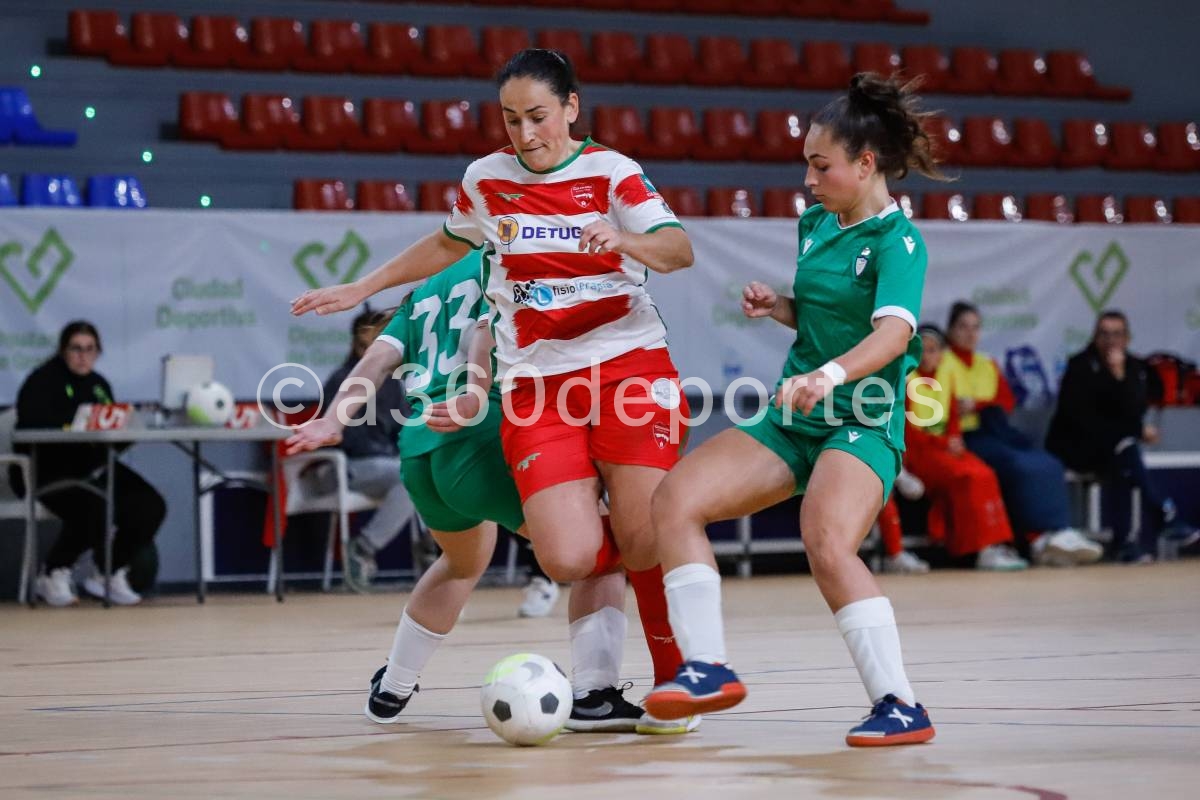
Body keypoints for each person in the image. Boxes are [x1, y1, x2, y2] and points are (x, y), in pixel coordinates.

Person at [291, 49, 691, 723]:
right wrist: (370, 291)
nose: (525, 134)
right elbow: (456, 262)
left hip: (575, 387)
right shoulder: (486, 189)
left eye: (538, 116)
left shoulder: (612, 173)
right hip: (512, 404)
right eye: (510, 120)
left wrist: (625, 243)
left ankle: (675, 677)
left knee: (606, 538)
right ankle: (621, 650)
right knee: (586, 555)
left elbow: (677, 249)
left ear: (571, 107)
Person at [645, 73, 941, 746]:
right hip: (795, 417)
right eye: (806, 163)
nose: (808, 179)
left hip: (862, 416)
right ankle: (705, 668)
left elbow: (892, 334)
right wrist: (777, 307)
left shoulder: (899, 243)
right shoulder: (816, 223)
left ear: (866, 164)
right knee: (675, 499)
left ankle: (900, 704)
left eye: (820, 165)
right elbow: (825, 316)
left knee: (827, 540)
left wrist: (828, 376)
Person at [288, 253, 691, 735]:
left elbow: (374, 361)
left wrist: (334, 417)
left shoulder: (423, 290)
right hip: (480, 436)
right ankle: (594, 695)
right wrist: (478, 392)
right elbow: (481, 333)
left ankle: (392, 684)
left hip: (421, 456)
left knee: (460, 564)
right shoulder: (507, 258)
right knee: (604, 552)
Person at [12, 321, 166, 606]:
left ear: (97, 352)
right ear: (63, 351)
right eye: (76, 349)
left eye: (90, 349)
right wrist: (72, 428)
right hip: (46, 470)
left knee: (149, 504)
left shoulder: (98, 385)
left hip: (93, 465)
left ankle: (107, 570)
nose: (83, 356)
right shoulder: (41, 382)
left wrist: (127, 432)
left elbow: (110, 430)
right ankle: (52, 572)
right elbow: (31, 428)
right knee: (95, 506)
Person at [941, 302, 1103, 567]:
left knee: (1048, 462)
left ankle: (1059, 531)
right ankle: (1039, 537)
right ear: (950, 330)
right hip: (965, 435)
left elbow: (1006, 400)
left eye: (975, 327)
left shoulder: (986, 363)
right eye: (962, 327)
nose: (970, 334)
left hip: (995, 429)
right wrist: (960, 406)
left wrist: (978, 404)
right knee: (1018, 466)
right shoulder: (941, 361)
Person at [1045, 310, 1198, 559]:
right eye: (1104, 334)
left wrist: (1120, 376)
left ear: (1127, 338)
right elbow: (1085, 419)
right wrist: (1136, 429)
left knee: (1124, 459)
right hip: (1076, 446)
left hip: (1114, 448)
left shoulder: (1135, 367)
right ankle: (1161, 516)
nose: (1110, 341)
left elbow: (1134, 411)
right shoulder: (1080, 366)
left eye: (1117, 334)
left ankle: (1126, 544)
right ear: (1095, 337)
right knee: (1125, 449)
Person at [307, 306, 422, 592]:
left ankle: (434, 546)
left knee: (422, 471)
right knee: (408, 473)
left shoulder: (394, 383)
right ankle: (363, 548)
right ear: (355, 343)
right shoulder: (341, 380)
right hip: (343, 468)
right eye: (364, 342)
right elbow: (348, 440)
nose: (370, 348)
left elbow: (404, 430)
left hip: (386, 468)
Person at [906, 324, 1027, 570]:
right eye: (922, 350)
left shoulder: (945, 377)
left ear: (941, 354)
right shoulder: (907, 380)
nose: (928, 356)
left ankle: (995, 544)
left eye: (933, 350)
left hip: (944, 447)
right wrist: (944, 442)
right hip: (919, 452)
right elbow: (909, 433)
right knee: (968, 476)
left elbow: (952, 419)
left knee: (986, 472)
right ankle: (977, 549)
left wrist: (955, 439)